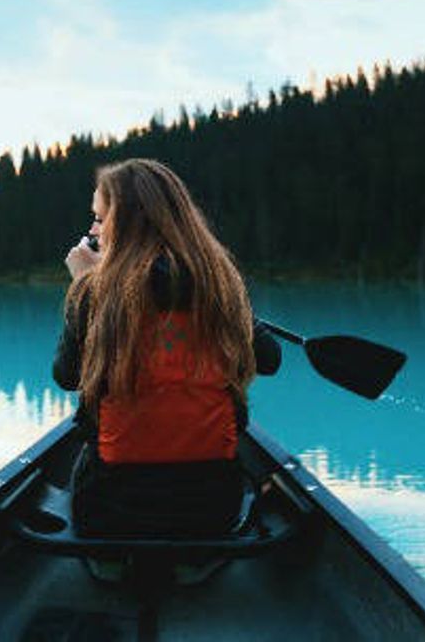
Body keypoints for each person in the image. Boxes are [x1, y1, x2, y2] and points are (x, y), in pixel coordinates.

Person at [53, 159, 280, 537]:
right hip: (212, 511)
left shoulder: (94, 292)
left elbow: (67, 377)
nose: (93, 230)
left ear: (124, 223)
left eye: (99, 217)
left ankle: (114, 564)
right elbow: (269, 360)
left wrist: (85, 285)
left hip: (110, 511)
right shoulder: (217, 285)